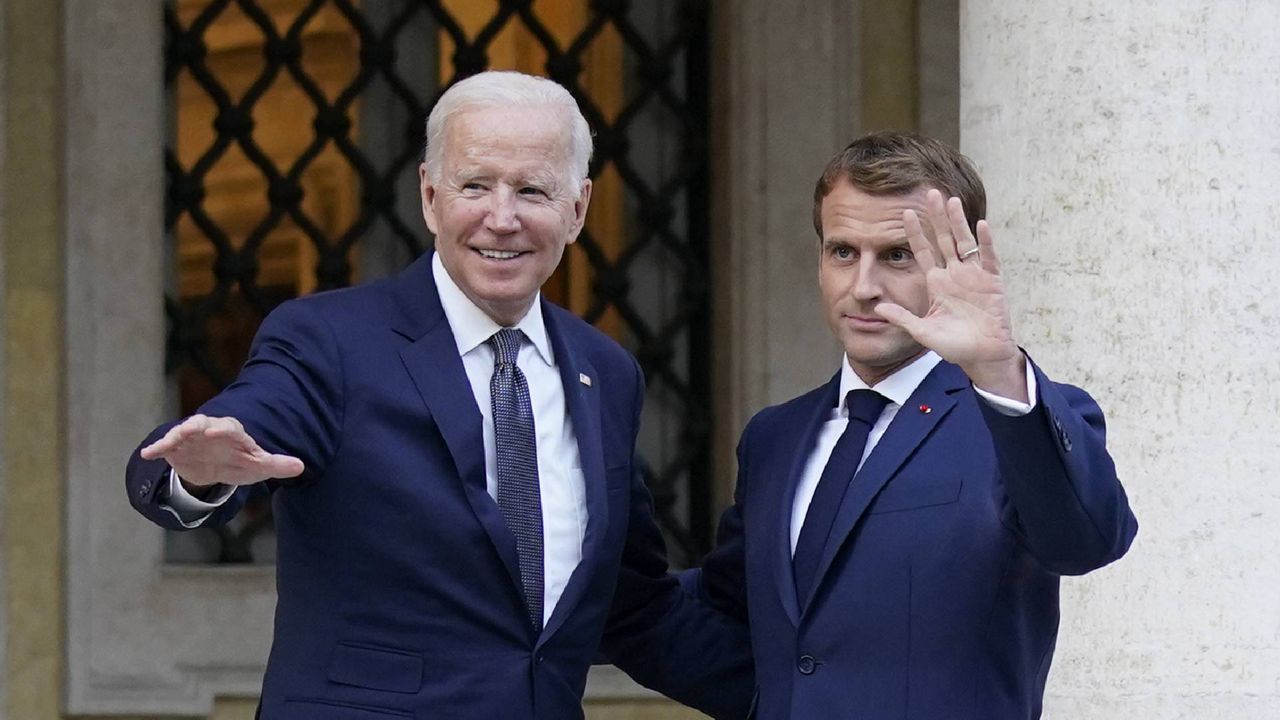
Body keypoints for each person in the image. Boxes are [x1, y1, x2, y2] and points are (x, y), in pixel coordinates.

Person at [126, 70, 752, 720]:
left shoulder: (606, 372)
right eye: (475, 186)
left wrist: (817, 692)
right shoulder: (331, 342)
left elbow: (632, 606)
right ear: (430, 196)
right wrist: (198, 475)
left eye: (532, 190)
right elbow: (252, 419)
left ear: (578, 208)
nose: (501, 218)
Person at [691, 131, 1138, 719]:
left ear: (956, 261)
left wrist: (998, 369)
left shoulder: (1012, 412)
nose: (864, 287)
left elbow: (1086, 540)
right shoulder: (776, 436)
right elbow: (733, 621)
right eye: (842, 252)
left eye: (897, 255)